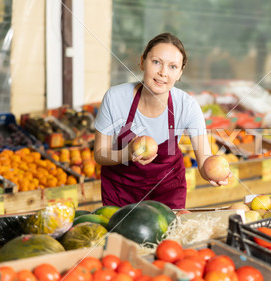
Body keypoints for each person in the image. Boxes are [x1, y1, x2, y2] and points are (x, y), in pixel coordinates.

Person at [94, 33, 229, 209]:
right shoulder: (115, 98)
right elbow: (99, 154)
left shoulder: (187, 106)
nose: (163, 73)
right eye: (156, 62)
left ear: (180, 72)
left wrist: (212, 172)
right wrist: (127, 154)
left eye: (173, 67)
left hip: (168, 193)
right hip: (121, 192)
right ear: (142, 62)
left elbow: (204, 160)